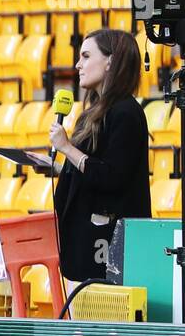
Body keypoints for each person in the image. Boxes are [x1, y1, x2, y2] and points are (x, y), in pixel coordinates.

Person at [45, 29, 151, 287]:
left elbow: (112, 176)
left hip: (104, 247)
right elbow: (92, 170)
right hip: (84, 244)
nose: (77, 64)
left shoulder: (126, 113)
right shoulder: (92, 113)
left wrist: (67, 148)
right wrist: (62, 168)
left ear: (110, 62)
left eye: (86, 56)